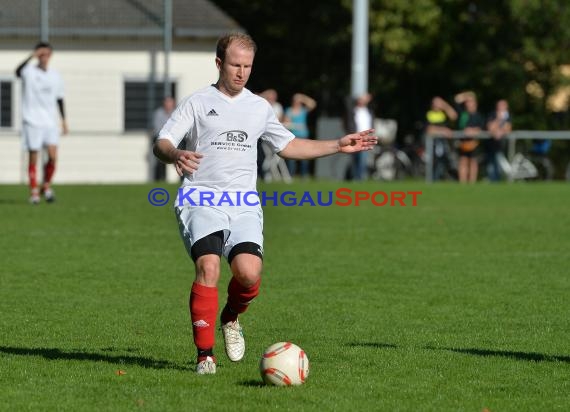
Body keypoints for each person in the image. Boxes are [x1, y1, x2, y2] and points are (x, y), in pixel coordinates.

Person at [153, 33, 377, 375]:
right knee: (209, 267)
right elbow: (163, 141)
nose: (241, 72)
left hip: (243, 202)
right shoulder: (198, 102)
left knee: (248, 273)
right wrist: (175, 153)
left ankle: (230, 317)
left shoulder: (259, 107)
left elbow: (288, 146)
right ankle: (205, 357)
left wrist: (338, 145)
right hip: (202, 198)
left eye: (247, 66)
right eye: (235, 65)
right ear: (218, 64)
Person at [16, 42, 68, 204]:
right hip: (32, 120)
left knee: (53, 157)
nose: (44, 57)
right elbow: (17, 71)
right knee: (34, 156)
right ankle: (34, 192)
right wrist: (32, 56)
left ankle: (46, 186)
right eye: (41, 54)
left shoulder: (55, 75)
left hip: (50, 122)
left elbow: (59, 98)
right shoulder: (29, 72)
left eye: (47, 54)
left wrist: (64, 120)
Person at [283, 93, 317, 178]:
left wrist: (303, 98)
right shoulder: (289, 110)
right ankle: (290, 175)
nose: (297, 102)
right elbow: (286, 122)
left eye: (298, 101)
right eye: (296, 101)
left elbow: (313, 104)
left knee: (305, 156)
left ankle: (304, 175)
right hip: (292, 136)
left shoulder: (303, 110)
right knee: (292, 158)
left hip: (303, 135)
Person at [455, 91, 485, 183]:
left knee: (473, 162)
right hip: (463, 143)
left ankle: (472, 183)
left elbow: (481, 128)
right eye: (467, 102)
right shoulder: (463, 114)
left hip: (474, 143)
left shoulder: (479, 116)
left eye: (470, 102)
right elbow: (457, 99)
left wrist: (474, 131)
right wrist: (468, 95)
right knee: (463, 161)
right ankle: (462, 183)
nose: (468, 104)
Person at [425, 96, 457, 181]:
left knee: (447, 162)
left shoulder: (444, 114)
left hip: (445, 144)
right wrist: (443, 130)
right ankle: (432, 180)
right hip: (433, 145)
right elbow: (429, 129)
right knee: (434, 163)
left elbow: (454, 116)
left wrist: (445, 105)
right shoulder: (429, 114)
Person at [344, 93, 375, 180]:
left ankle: (359, 178)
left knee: (362, 158)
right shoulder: (353, 110)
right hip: (355, 137)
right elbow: (348, 124)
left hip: (366, 138)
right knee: (355, 159)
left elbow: (371, 123)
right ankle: (354, 177)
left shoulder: (369, 111)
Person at [150, 96, 176, 181]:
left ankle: (182, 179)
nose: (168, 104)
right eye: (167, 102)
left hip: (175, 139)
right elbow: (157, 129)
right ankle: (159, 179)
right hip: (160, 139)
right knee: (159, 161)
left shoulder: (176, 113)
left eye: (170, 102)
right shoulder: (158, 113)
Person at [485, 99, 512, 182]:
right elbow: (490, 128)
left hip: (502, 145)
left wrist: (500, 132)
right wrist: (498, 119)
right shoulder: (492, 115)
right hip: (491, 145)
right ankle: (492, 180)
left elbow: (508, 129)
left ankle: (499, 180)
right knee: (491, 166)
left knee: (500, 165)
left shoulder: (508, 116)